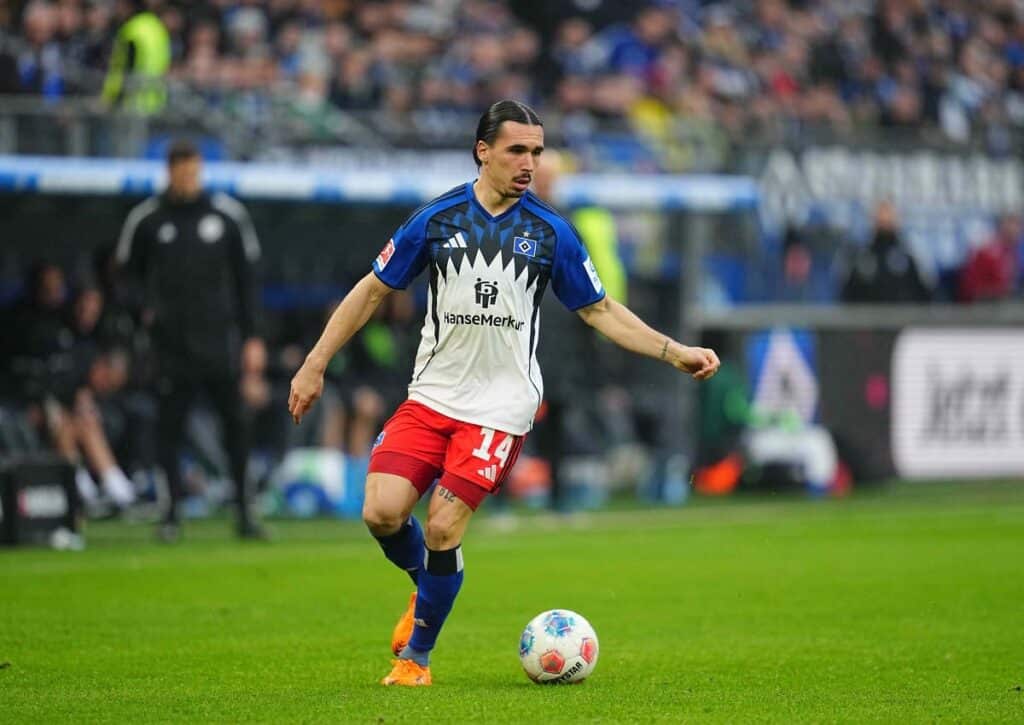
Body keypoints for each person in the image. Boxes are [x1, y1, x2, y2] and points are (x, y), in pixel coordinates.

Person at [287, 100, 720, 687]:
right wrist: (314, 364)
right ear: (482, 150)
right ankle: (430, 585)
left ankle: (416, 658)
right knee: (382, 512)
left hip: (500, 406)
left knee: (442, 526)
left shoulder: (550, 232)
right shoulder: (435, 221)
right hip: (431, 395)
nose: (530, 163)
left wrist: (676, 351)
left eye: (537, 152)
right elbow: (370, 291)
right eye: (518, 150)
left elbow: (599, 309)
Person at [115, 140, 266, 541]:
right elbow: (125, 279)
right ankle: (170, 514)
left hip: (219, 344)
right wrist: (143, 316)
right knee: (169, 429)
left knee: (235, 426)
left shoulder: (227, 216)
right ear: (169, 171)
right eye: (181, 170)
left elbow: (247, 282)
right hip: (170, 348)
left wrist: (252, 339)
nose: (187, 177)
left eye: (193, 170)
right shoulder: (147, 219)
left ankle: (245, 511)